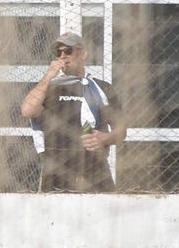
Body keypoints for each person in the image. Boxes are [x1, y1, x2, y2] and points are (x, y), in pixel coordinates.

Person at [20, 32, 127, 192]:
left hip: (94, 169)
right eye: (58, 53)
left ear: (83, 54)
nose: (63, 56)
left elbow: (121, 129)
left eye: (68, 51)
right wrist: (49, 75)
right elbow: (28, 111)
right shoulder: (49, 87)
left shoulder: (100, 88)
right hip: (56, 170)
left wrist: (104, 138)